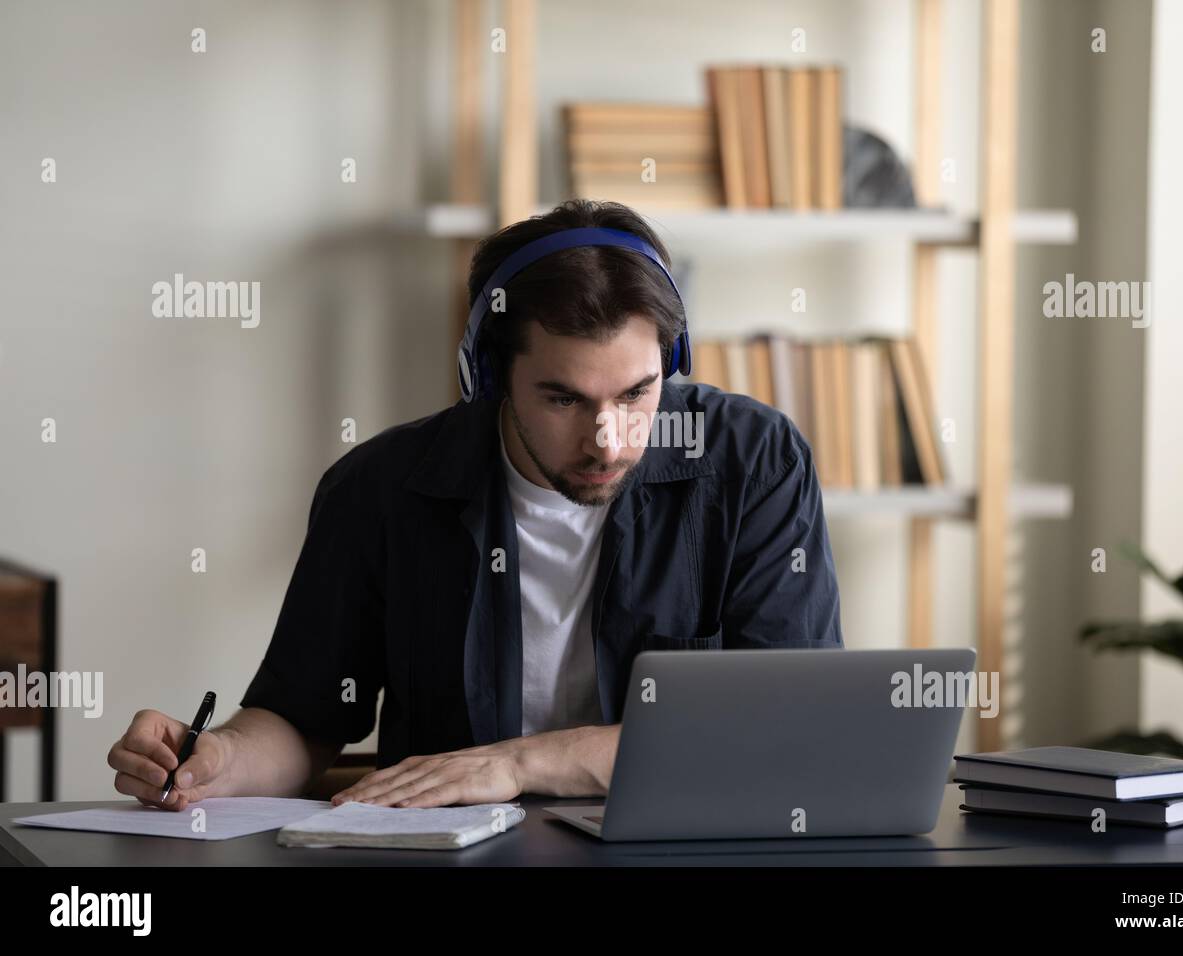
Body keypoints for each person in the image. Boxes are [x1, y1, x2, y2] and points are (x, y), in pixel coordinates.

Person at [106, 199, 843, 811]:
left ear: (671, 365)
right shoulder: (379, 488)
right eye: (563, 398)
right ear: (488, 375)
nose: (607, 440)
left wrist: (518, 764)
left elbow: (783, 725)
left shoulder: (755, 462)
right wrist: (218, 758)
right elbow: (304, 722)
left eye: (637, 393)